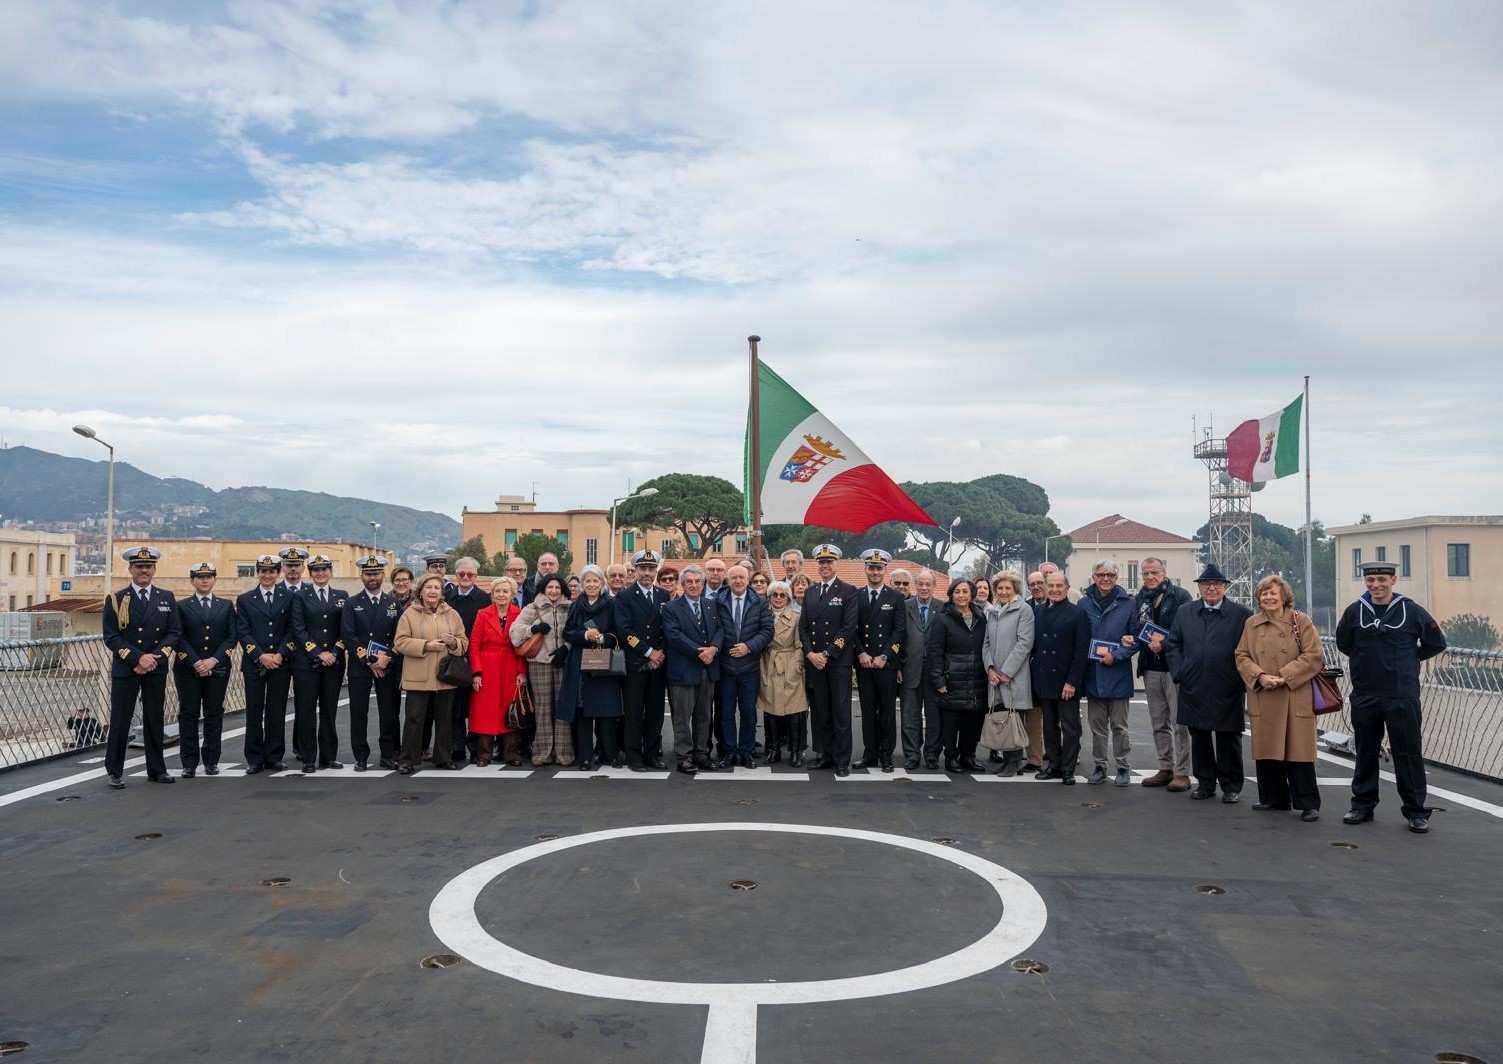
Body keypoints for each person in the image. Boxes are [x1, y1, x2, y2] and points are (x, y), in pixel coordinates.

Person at [1336, 559, 1447, 833]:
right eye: (1371, 580)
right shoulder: (1354, 612)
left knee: (1408, 753)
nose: (1376, 585)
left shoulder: (1411, 611)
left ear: (1393, 581)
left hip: (1401, 694)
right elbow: (1344, 642)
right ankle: (1362, 804)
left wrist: (1408, 660)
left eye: (1382, 580)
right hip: (1366, 693)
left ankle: (1415, 810)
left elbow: (1436, 642)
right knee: (1365, 751)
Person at [1235, 574, 1326, 821]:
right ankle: (1273, 798)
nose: (1268, 597)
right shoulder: (1251, 623)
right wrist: (1260, 676)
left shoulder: (1301, 621)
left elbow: (1313, 656)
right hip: (1264, 693)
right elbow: (1241, 655)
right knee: (1267, 750)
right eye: (1264, 594)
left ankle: (1308, 803)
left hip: (1294, 692)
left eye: (1273, 593)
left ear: (1284, 597)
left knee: (1299, 752)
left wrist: (1284, 676)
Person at [1166, 564, 1255, 803]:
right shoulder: (1185, 612)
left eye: (1217, 584)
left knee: (1229, 738)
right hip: (1193, 684)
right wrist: (1180, 672)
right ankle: (1205, 784)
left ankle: (1231, 786)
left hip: (1227, 686)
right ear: (1200, 588)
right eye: (1206, 584)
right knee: (1200, 737)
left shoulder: (1241, 614)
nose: (1212, 588)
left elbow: (1250, 649)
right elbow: (1173, 644)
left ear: (1225, 587)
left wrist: (1240, 678)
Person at [100, 546, 181, 789]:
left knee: (154, 719)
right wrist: (138, 659)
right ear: (130, 569)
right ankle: (115, 771)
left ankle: (156, 769)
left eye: (148, 566)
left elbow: (174, 633)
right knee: (120, 720)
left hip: (155, 667)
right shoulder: (116, 599)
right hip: (127, 669)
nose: (143, 570)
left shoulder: (166, 597)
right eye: (139, 566)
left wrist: (152, 658)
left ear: (154, 569)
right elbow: (112, 637)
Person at [393, 574, 468, 774]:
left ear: (442, 592)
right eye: (429, 587)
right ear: (421, 591)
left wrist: (453, 643)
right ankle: (407, 759)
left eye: (436, 588)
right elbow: (400, 642)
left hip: (445, 676)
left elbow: (463, 642)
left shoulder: (452, 614)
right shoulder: (409, 614)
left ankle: (443, 757)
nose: (433, 591)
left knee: (444, 719)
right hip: (417, 676)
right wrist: (426, 645)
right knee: (414, 718)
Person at [1132, 557, 1193, 791]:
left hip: (1173, 668)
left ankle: (1183, 772)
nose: (1149, 577)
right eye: (1145, 573)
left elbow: (1186, 631)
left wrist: (1165, 644)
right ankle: (1165, 767)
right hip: (1150, 667)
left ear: (1164, 573)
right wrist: (1129, 637)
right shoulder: (1139, 600)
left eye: (1154, 572)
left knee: (1180, 723)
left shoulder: (1181, 596)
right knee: (1159, 722)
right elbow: (1137, 629)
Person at [799, 543, 859, 776]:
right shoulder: (811, 592)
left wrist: (827, 653)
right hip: (815, 661)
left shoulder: (848, 591)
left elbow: (848, 628)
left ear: (836, 564)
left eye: (829, 562)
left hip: (837, 662)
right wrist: (810, 653)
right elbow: (803, 627)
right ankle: (825, 755)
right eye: (821, 562)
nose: (825, 566)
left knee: (841, 713)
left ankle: (842, 759)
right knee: (821, 711)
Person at [557, 565, 624, 770]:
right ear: (582, 585)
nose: (592, 585)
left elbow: (618, 632)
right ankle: (585, 757)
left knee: (606, 711)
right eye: (588, 581)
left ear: (602, 584)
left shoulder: (612, 604)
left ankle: (609, 754)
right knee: (584, 711)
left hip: (605, 660)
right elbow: (568, 633)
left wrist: (604, 638)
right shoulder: (576, 606)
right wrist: (585, 635)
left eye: (595, 581)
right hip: (580, 662)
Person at [1079, 560, 1139, 786]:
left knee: (1120, 727)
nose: (1106, 579)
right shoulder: (1084, 603)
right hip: (1093, 674)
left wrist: (1118, 654)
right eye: (1101, 575)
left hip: (1118, 674)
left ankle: (1123, 767)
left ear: (1117, 578)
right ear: (1093, 576)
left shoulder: (1129, 604)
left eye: (1111, 575)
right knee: (1097, 727)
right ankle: (1099, 766)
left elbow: (1136, 639)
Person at [174, 561, 235, 777]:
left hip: (217, 668)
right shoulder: (181, 606)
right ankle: (189, 763)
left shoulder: (226, 605)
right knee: (189, 714)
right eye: (200, 577)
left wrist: (213, 661)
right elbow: (177, 636)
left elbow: (231, 638)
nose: (204, 580)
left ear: (215, 580)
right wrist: (196, 661)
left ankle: (211, 760)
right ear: (192, 581)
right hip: (187, 668)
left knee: (214, 713)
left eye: (209, 576)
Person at [342, 555, 402, 771]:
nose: (372, 578)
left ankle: (387, 755)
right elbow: (348, 635)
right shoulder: (352, 603)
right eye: (368, 574)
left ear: (383, 576)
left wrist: (387, 658)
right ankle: (360, 756)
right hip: (361, 666)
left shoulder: (394, 603)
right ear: (362, 576)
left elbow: (399, 636)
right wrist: (369, 660)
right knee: (359, 713)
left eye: (376, 573)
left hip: (386, 666)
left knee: (388, 712)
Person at [662, 564, 723, 773]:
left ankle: (701, 754)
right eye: (689, 582)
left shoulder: (711, 605)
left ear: (702, 583)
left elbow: (720, 629)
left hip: (707, 669)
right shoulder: (671, 608)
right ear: (683, 585)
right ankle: (683, 757)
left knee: (704, 715)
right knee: (682, 717)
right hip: (684, 670)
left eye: (698, 582)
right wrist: (701, 652)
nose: (694, 585)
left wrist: (714, 648)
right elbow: (674, 636)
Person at [237, 554, 295, 775]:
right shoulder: (245, 599)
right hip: (255, 663)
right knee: (254, 710)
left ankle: (274, 756)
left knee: (276, 710)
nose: (267, 575)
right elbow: (243, 631)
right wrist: (261, 656)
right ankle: (254, 758)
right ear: (257, 573)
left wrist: (280, 654)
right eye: (263, 571)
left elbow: (292, 629)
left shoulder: (289, 597)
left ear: (278, 573)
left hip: (280, 662)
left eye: (271, 572)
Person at [1031, 572, 1091, 783]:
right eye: (1051, 585)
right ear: (1046, 588)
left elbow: (1081, 652)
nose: (1055, 589)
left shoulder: (1078, 614)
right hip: (1044, 677)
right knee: (1049, 726)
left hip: (1066, 681)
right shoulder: (1038, 611)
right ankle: (1054, 765)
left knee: (1070, 727)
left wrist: (1072, 682)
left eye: (1059, 585)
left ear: (1067, 588)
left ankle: (1068, 768)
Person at [614, 549, 670, 771]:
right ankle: (634, 756)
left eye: (651, 568)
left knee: (656, 712)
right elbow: (624, 631)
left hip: (658, 664)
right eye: (643, 568)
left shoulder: (663, 595)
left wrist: (661, 652)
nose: (647, 573)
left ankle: (652, 754)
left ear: (655, 570)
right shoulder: (624, 597)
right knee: (634, 712)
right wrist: (649, 652)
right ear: (635, 570)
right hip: (636, 663)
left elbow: (668, 628)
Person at [510, 573, 574, 766]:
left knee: (562, 710)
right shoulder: (533, 607)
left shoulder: (571, 607)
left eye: (557, 587)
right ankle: (542, 753)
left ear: (562, 589)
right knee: (543, 710)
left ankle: (564, 753)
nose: (553, 591)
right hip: (539, 664)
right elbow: (514, 633)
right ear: (543, 589)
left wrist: (567, 648)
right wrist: (534, 628)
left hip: (563, 663)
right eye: (549, 587)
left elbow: (578, 632)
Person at [291, 554, 348, 771]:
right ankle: (307, 758)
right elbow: (298, 628)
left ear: (331, 572)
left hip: (333, 662)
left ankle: (328, 756)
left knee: (329, 711)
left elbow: (346, 628)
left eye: (324, 569)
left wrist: (334, 652)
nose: (320, 573)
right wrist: (317, 652)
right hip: (307, 664)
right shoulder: (300, 596)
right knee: (306, 711)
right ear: (310, 573)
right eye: (316, 570)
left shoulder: (341, 596)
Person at [928, 577, 988, 773]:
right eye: (957, 592)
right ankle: (951, 757)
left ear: (971, 594)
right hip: (952, 679)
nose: (961, 595)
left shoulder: (981, 617)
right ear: (951, 595)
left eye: (965, 591)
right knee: (951, 723)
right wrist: (939, 679)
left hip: (977, 677)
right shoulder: (942, 618)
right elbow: (935, 651)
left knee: (973, 722)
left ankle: (968, 756)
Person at [717, 560, 774, 768]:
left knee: (749, 713)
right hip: (725, 666)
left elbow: (768, 631)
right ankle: (730, 751)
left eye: (742, 577)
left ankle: (747, 752)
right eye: (734, 577)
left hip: (750, 667)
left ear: (748, 579)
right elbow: (715, 629)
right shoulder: (718, 600)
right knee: (726, 713)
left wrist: (749, 647)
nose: (738, 581)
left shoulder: (759, 601)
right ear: (728, 580)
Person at [854, 548, 906, 772]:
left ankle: (886, 755)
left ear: (885, 570)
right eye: (871, 567)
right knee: (867, 711)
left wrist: (886, 655)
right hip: (865, 663)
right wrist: (861, 653)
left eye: (879, 568)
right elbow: (851, 629)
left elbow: (899, 631)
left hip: (885, 664)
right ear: (865, 569)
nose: (875, 571)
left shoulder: (895, 597)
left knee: (886, 711)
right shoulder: (855, 596)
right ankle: (870, 753)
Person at [468, 576, 527, 766]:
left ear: (512, 595)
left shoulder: (519, 614)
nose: (501, 595)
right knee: (485, 711)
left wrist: (521, 671)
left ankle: (511, 754)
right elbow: (474, 644)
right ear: (492, 594)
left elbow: (522, 645)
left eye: (505, 591)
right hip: (487, 666)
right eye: (497, 591)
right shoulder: (483, 614)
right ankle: (483, 755)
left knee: (510, 708)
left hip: (510, 665)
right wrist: (476, 672)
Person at [982, 571, 1035, 775]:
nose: (1003, 592)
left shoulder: (1024, 610)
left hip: (1014, 676)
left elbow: (1024, 643)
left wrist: (1006, 672)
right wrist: (990, 669)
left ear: (1015, 590)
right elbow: (986, 644)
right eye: (1000, 588)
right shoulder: (993, 611)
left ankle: (1014, 763)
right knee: (1003, 718)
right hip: (995, 677)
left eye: (1007, 588)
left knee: (1015, 719)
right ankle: (1007, 761)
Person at [758, 580, 808, 766]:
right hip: (768, 663)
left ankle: (795, 751)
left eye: (782, 595)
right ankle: (774, 749)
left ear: (788, 598)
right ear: (769, 597)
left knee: (794, 710)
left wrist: (796, 668)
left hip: (789, 664)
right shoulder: (763, 615)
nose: (778, 598)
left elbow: (800, 644)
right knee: (770, 709)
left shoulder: (797, 616)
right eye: (774, 595)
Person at [444, 557, 488, 764]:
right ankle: (457, 746)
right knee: (454, 707)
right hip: (452, 658)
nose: (465, 578)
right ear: (456, 576)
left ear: (476, 577)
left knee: (476, 706)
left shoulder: (485, 599)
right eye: (461, 574)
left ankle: (475, 746)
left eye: (469, 574)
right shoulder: (447, 598)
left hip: (476, 658)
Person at [901, 569, 942, 770]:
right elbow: (897, 638)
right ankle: (911, 754)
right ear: (915, 585)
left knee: (934, 716)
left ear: (934, 586)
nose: (924, 588)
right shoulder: (904, 606)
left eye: (928, 584)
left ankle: (932, 755)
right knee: (910, 715)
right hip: (909, 668)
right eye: (920, 584)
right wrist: (898, 666)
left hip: (935, 672)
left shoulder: (942, 608)